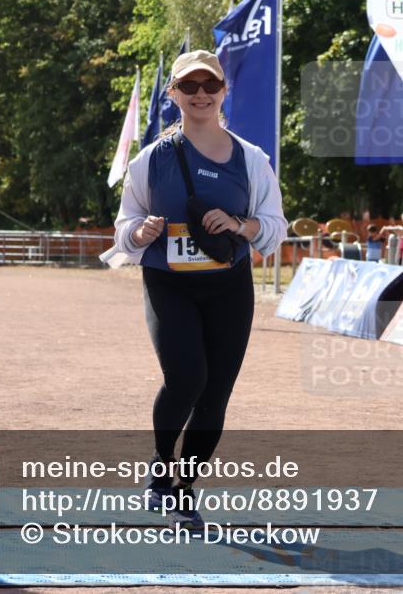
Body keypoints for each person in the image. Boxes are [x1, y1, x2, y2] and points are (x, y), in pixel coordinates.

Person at [103, 50, 287, 529]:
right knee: (187, 378)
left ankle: (186, 487)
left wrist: (238, 224)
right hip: (169, 286)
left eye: (210, 85)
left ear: (224, 92)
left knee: (215, 395)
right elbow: (123, 228)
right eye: (190, 86)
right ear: (174, 96)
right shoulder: (150, 161)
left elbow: (274, 226)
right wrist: (139, 234)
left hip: (229, 287)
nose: (201, 94)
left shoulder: (251, 159)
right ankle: (160, 471)